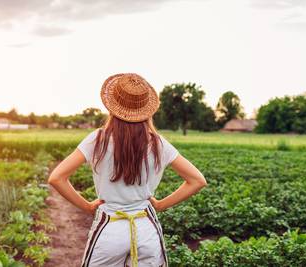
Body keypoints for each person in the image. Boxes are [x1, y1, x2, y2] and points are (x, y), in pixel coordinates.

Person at [48, 73, 207, 267]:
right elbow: (197, 180)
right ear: (146, 109)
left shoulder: (98, 139)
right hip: (146, 228)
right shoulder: (158, 143)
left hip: (109, 227)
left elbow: (57, 178)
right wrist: (160, 205)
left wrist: (87, 207)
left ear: (112, 106)